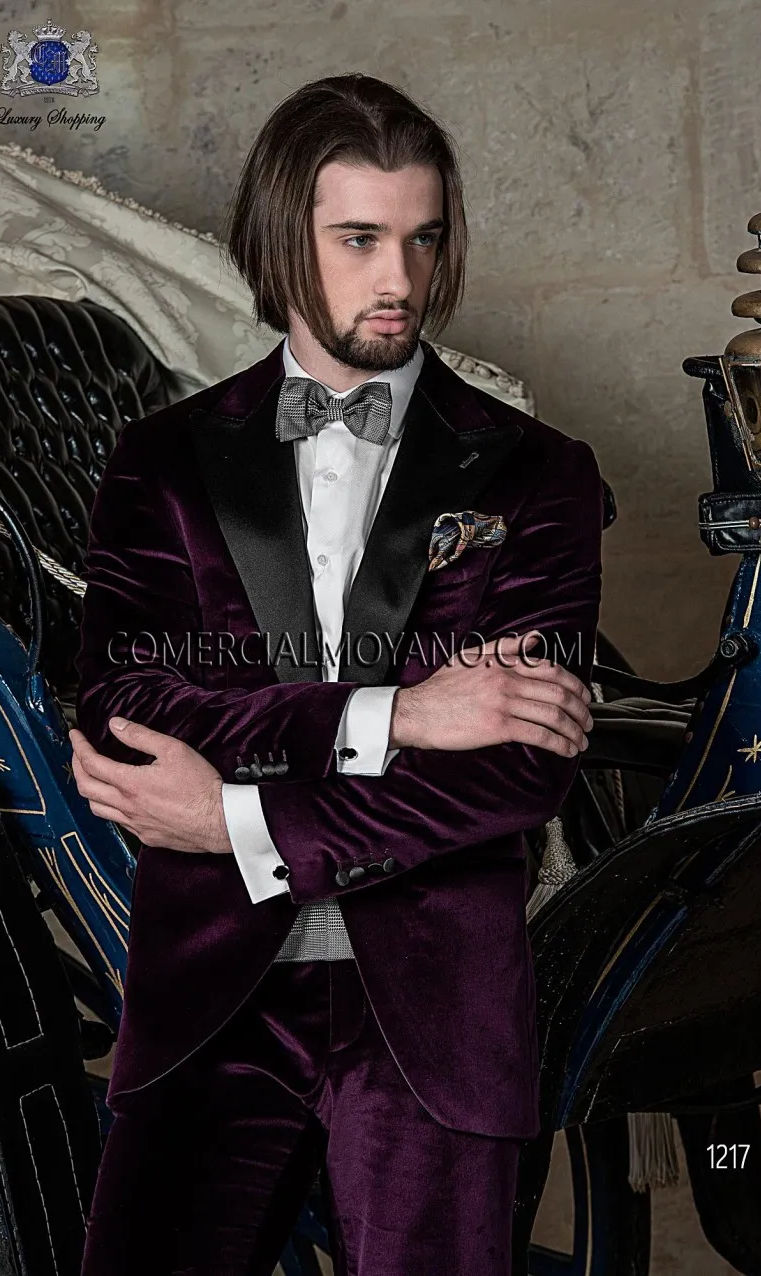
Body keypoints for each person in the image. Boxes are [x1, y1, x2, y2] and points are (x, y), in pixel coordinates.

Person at [71, 72, 603, 1276]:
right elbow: (128, 707)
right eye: (359, 239)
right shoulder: (161, 462)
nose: (399, 279)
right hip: (209, 991)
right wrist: (398, 713)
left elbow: (514, 769)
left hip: (435, 1009)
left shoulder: (535, 473)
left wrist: (234, 819)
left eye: (423, 239)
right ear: (282, 237)